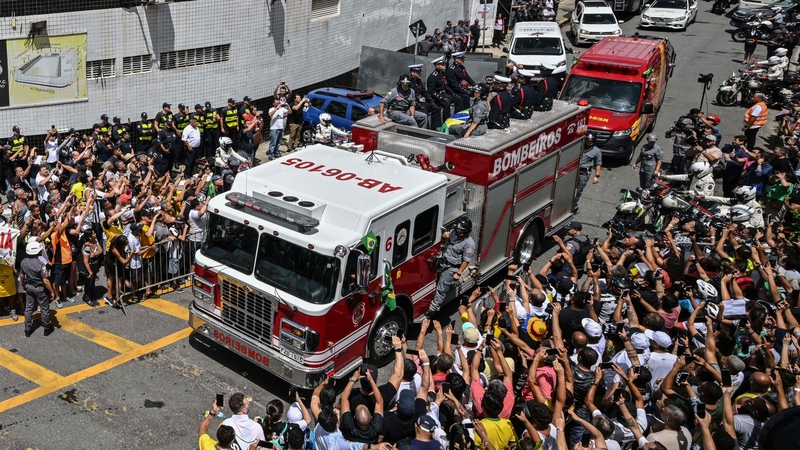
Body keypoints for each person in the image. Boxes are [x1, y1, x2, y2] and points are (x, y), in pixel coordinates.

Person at [419, 215, 476, 320]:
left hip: (451, 268)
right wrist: (445, 236)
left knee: (441, 289)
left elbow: (465, 261)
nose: (457, 232)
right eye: (457, 229)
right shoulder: (454, 232)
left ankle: (433, 309)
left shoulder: (469, 244)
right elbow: (448, 236)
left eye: (460, 231)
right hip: (442, 262)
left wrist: (458, 273)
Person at [20, 240, 56, 337]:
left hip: (29, 287)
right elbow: (46, 281)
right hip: (40, 288)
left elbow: (22, 276)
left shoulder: (23, 262)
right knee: (44, 308)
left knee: (29, 308)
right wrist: (52, 291)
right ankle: (47, 328)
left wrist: (23, 285)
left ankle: (27, 329)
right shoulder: (41, 264)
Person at [409, 64, 440, 129]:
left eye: (420, 71)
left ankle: (435, 128)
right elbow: (410, 98)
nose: (419, 73)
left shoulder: (418, 81)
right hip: (413, 105)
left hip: (419, 103)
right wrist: (419, 106)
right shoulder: (409, 83)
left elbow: (424, 92)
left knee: (436, 108)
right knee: (424, 113)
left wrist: (431, 100)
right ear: (412, 73)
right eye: (418, 72)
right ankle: (426, 130)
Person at [427, 57, 455, 122]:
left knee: (457, 99)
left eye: (444, 64)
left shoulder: (441, 74)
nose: (444, 65)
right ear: (437, 66)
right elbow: (431, 91)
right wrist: (440, 98)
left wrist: (452, 93)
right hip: (435, 96)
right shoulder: (433, 76)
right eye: (442, 64)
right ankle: (446, 121)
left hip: (442, 93)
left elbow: (444, 85)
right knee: (446, 104)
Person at [576, 133, 602, 204]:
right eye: (587, 140)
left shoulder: (596, 151)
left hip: (584, 174)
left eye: (590, 141)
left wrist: (597, 176)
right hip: (574, 171)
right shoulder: (579, 147)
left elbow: (598, 164)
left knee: (578, 191)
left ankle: (573, 207)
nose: (588, 142)